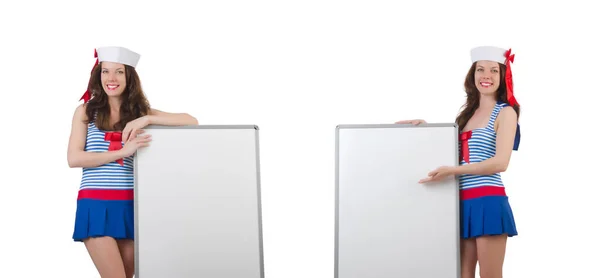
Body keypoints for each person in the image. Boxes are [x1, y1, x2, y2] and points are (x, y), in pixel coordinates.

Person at [67, 46, 198, 278]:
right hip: (96, 203)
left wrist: (147, 118)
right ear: (98, 76)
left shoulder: (140, 112)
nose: (111, 79)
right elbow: (74, 158)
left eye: (119, 72)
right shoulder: (86, 112)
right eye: (105, 72)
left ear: (129, 77)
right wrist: (122, 152)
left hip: (131, 204)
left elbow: (191, 121)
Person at [396, 46, 520, 278]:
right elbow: (450, 151)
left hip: (488, 202)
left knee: (489, 275)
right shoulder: (466, 116)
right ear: (472, 75)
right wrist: (423, 129)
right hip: (460, 202)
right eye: (480, 70)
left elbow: (500, 163)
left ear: (503, 77)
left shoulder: (505, 113)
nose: (486, 76)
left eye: (494, 71)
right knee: (462, 274)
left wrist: (453, 170)